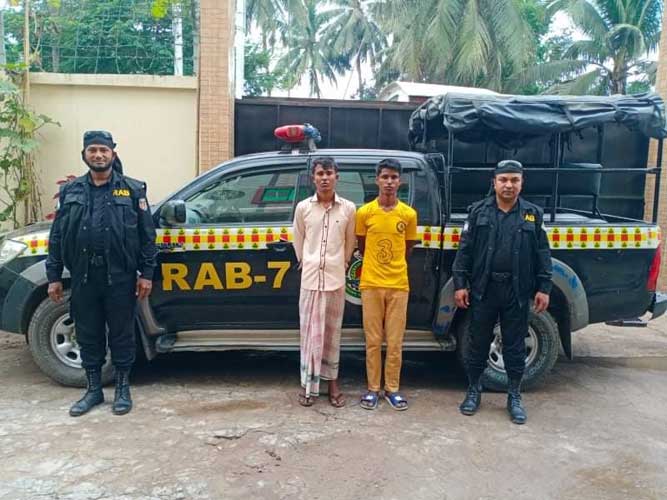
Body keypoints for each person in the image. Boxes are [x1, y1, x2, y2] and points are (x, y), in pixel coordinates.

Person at [46, 130, 158, 417]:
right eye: (93, 150)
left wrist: (146, 273)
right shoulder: (70, 192)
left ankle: (122, 389)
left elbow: (147, 237)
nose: (98, 155)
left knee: (121, 334)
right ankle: (93, 390)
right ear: (84, 154)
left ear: (113, 154)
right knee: (88, 334)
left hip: (120, 277)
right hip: (83, 276)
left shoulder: (132, 190)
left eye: (103, 150)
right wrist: (54, 275)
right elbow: (57, 235)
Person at [452, 160, 552, 424]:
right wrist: (460, 284)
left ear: (522, 183)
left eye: (514, 180)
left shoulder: (532, 214)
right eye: (504, 180)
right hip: (484, 289)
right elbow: (465, 251)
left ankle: (514, 396)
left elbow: (543, 253)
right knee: (478, 343)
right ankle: (474, 391)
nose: (509, 185)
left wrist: (544, 288)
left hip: (516, 291)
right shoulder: (478, 212)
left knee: (515, 345)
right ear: (494, 182)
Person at [293, 157, 356, 408]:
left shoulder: (348, 208)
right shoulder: (303, 208)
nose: (325, 178)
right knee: (309, 334)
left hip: (334, 280)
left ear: (336, 177)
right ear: (313, 178)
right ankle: (308, 385)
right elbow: (298, 238)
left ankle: (332, 384)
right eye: (320, 174)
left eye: (329, 173)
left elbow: (350, 242)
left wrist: (343, 262)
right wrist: (305, 261)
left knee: (332, 334)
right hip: (310, 280)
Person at [356, 158, 418, 411]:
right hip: (371, 283)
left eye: (393, 177)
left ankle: (392, 389)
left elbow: (408, 247)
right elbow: (362, 245)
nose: (389, 182)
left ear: (400, 181)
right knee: (372, 341)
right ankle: (373, 389)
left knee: (394, 342)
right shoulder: (365, 213)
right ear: (377, 180)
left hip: (398, 285)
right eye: (385, 177)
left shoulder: (408, 214)